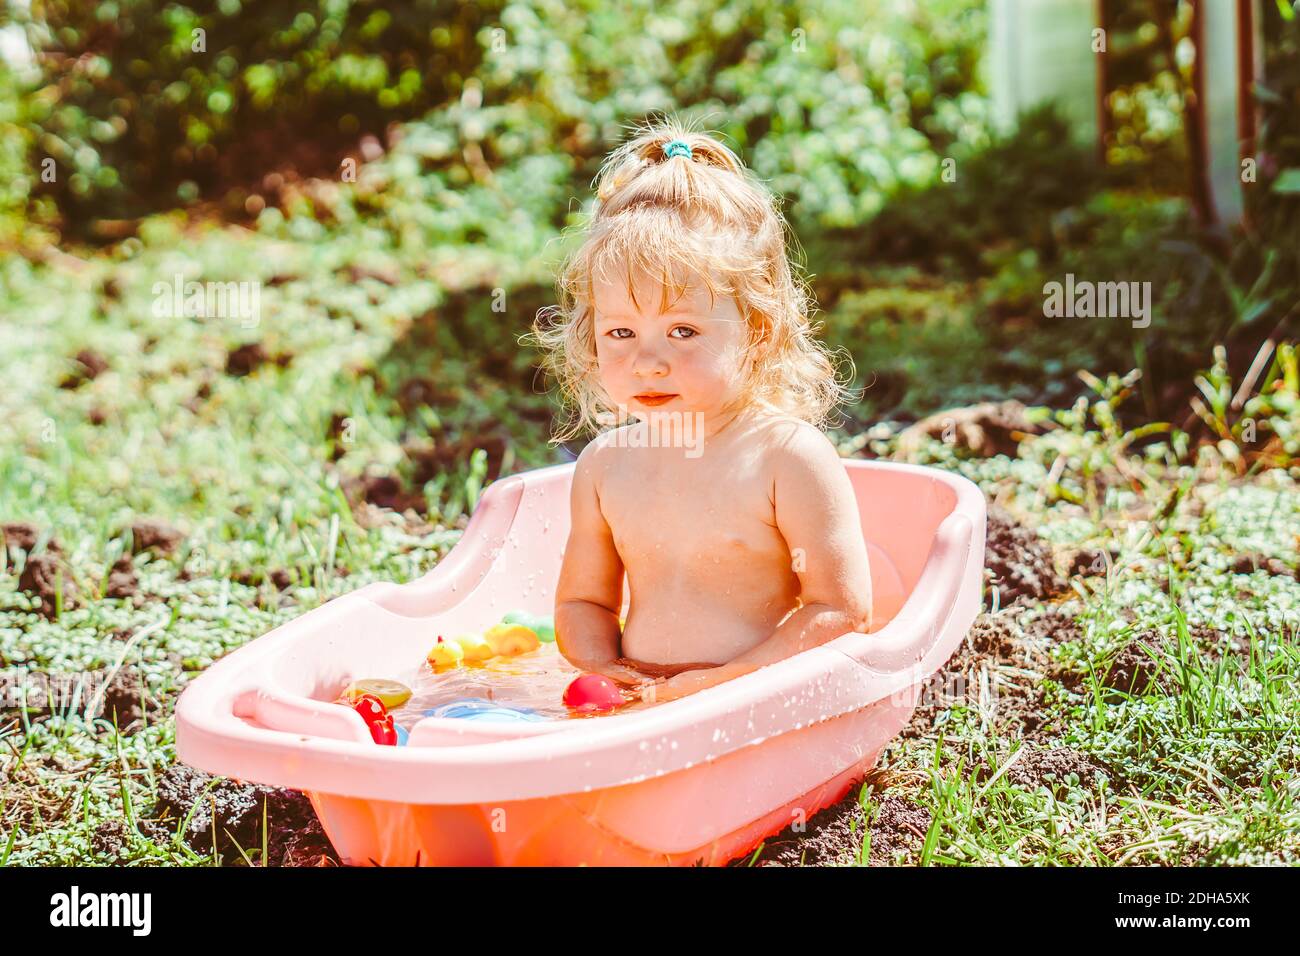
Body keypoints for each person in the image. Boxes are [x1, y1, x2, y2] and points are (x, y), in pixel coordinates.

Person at [528, 116, 873, 710]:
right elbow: (584, 603)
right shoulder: (605, 466)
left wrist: (726, 682)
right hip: (645, 699)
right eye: (621, 332)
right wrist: (604, 666)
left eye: (682, 330)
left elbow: (841, 609)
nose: (648, 362)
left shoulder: (785, 458)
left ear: (758, 333)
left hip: (759, 701)